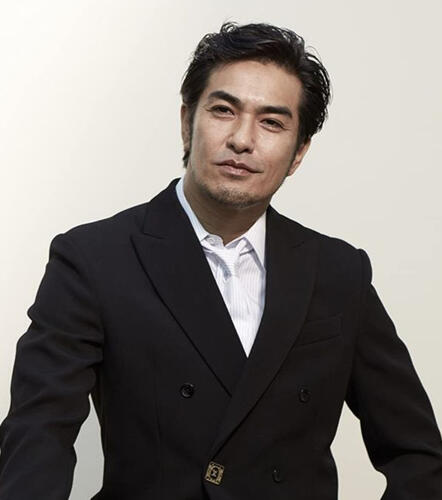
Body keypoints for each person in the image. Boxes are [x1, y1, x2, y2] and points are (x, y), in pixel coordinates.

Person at [0, 21, 441, 500]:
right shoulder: (93, 259)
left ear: (298, 152)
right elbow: (37, 434)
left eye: (272, 123)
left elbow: (418, 454)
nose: (242, 140)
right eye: (224, 110)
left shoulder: (338, 272)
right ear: (187, 122)